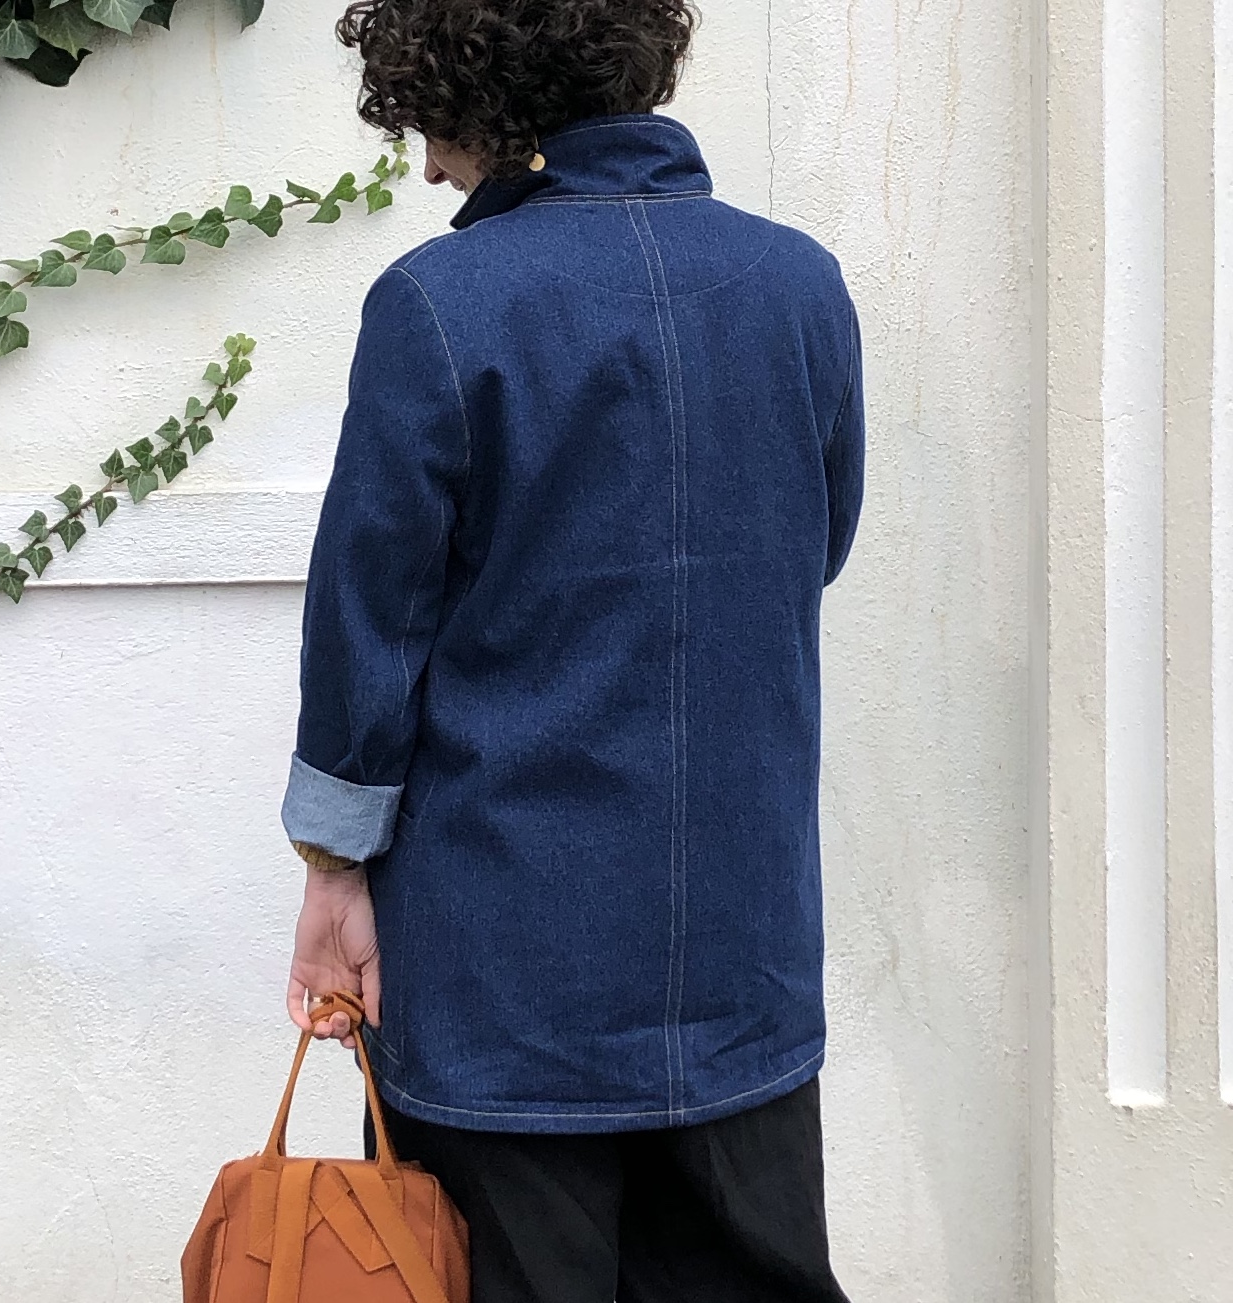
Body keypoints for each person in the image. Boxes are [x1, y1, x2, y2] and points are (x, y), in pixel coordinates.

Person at [278, 2, 865, 1299]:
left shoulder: (441, 301)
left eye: (429, 124)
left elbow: (370, 621)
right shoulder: (799, 284)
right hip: (740, 940)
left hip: (504, 956)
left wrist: (332, 864)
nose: (428, 166)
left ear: (483, 98)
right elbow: (810, 551)